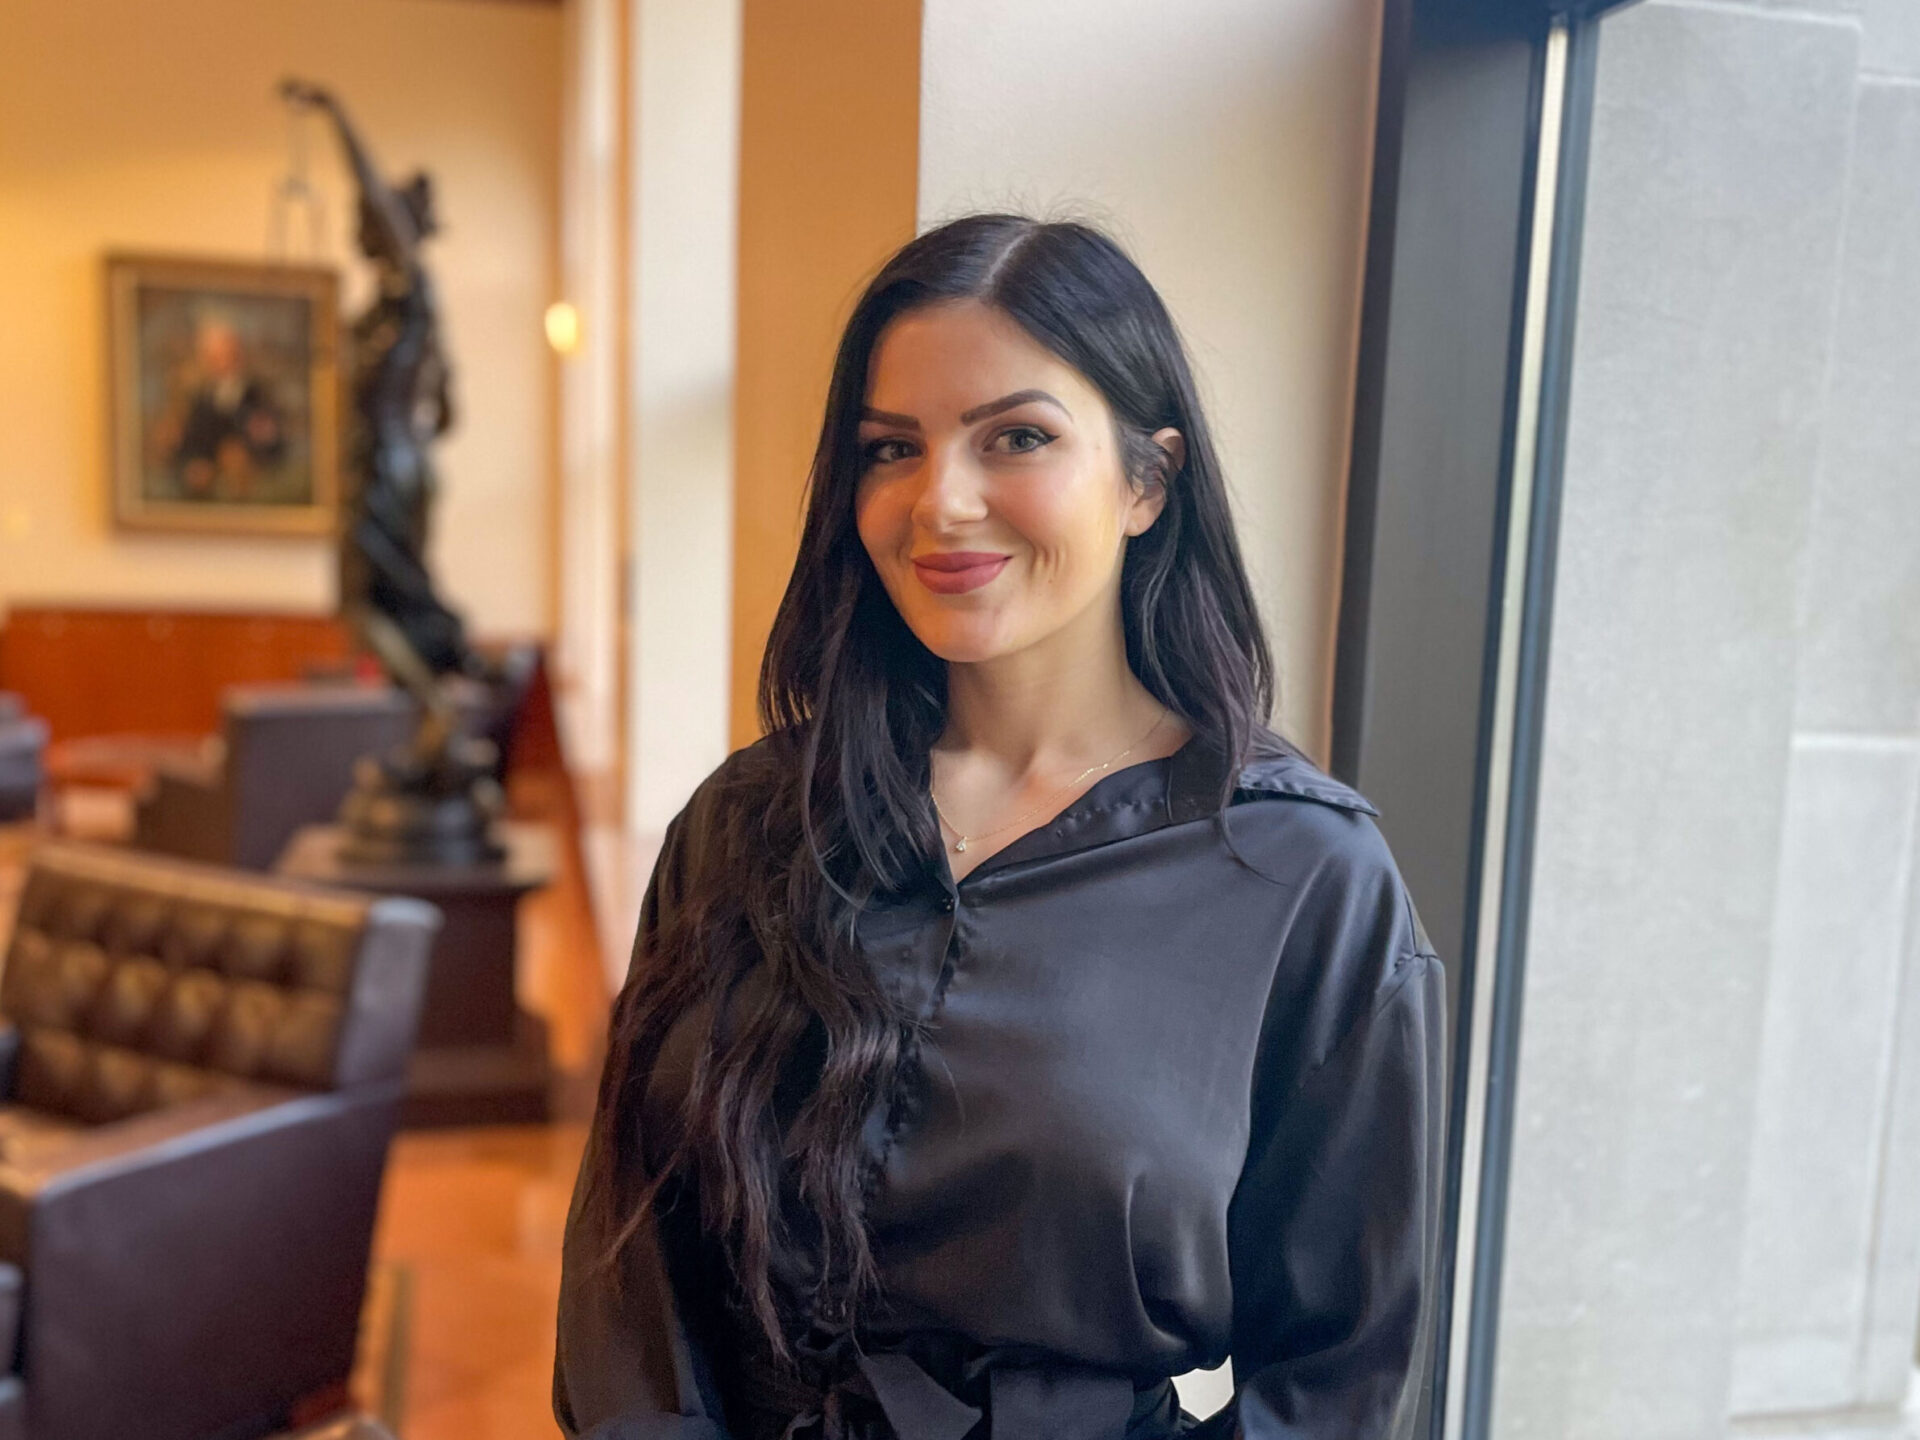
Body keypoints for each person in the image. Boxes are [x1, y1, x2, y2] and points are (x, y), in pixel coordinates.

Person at [554, 213, 1449, 1440]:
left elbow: (1339, 1374)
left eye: (1016, 437)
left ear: (1148, 480)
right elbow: (628, 1269)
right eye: (890, 448)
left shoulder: (1305, 878)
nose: (943, 502)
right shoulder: (747, 822)